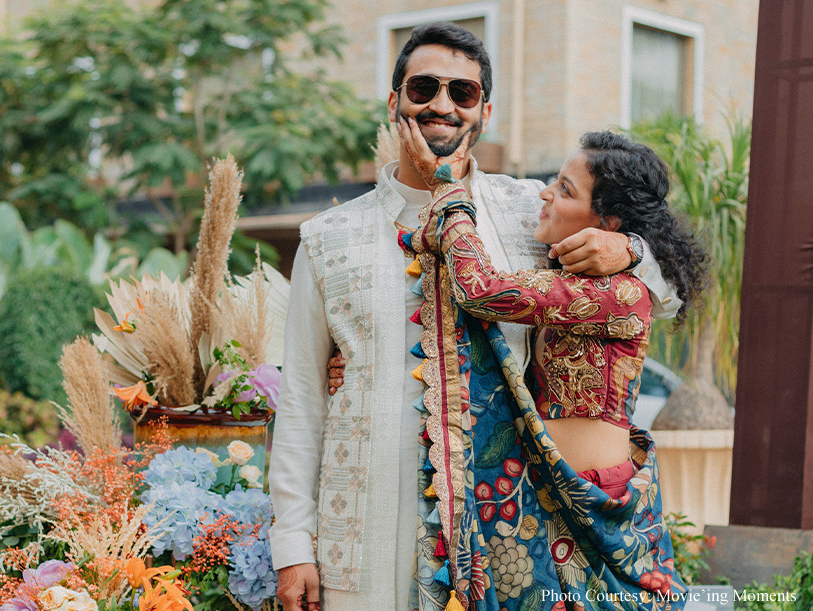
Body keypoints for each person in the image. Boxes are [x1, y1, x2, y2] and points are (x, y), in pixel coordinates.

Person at [268, 22, 680, 611]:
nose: (441, 105)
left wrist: (633, 251)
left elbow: (663, 292)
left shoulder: (530, 211)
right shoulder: (329, 238)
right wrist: (292, 543)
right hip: (364, 527)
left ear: (484, 112)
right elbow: (303, 399)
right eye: (424, 88)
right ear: (394, 102)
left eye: (461, 93)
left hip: (510, 537)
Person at [391, 120, 706, 609]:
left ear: (609, 223)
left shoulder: (621, 294)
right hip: (539, 492)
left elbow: (481, 290)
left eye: (564, 189)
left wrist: (450, 194)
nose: (544, 195)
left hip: (594, 500)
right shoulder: (564, 277)